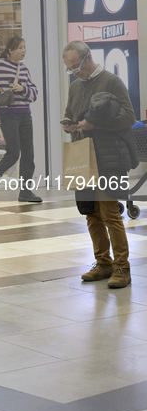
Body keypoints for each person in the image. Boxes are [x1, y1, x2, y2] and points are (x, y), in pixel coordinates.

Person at [62, 41, 136, 289]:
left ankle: (122, 268)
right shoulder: (74, 87)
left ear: (88, 58)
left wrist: (96, 126)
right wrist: (69, 124)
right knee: (90, 212)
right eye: (70, 68)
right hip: (83, 157)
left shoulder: (112, 82)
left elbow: (129, 117)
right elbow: (71, 113)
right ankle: (102, 263)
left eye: (76, 66)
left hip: (109, 156)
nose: (74, 71)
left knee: (109, 211)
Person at [0, 35, 41, 202]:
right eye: (19, 47)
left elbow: (34, 92)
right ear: (10, 50)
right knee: (13, 153)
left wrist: (22, 88)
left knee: (29, 155)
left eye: (24, 47)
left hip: (25, 114)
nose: (23, 51)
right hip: (9, 115)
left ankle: (25, 192)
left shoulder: (24, 69)